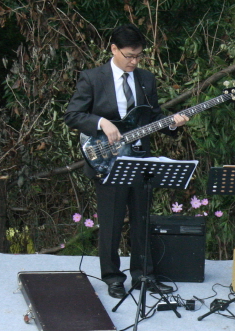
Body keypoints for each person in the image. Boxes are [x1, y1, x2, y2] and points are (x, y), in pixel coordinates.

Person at [64, 24, 188, 299]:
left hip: (141, 158)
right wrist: (101, 121)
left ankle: (144, 275)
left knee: (143, 219)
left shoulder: (146, 79)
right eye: (129, 56)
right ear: (113, 49)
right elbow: (72, 115)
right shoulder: (92, 78)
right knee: (111, 222)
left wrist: (172, 124)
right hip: (107, 160)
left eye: (138, 56)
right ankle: (112, 278)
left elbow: (153, 117)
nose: (134, 62)